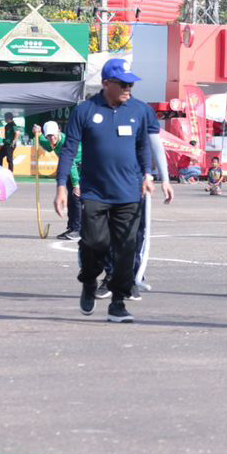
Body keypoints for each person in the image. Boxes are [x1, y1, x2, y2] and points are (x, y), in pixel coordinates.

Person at [55, 58, 170, 324]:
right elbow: (69, 149)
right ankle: (88, 281)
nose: (129, 88)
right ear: (107, 84)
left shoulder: (140, 111)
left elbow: (144, 146)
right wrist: (62, 185)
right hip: (95, 191)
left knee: (126, 250)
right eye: (124, 84)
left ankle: (118, 302)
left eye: (131, 83)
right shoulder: (85, 111)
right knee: (95, 243)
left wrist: (148, 174)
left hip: (129, 193)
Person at [39, 120, 82, 240]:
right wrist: (37, 134)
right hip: (69, 169)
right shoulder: (49, 140)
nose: (51, 138)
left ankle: (78, 230)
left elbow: (72, 164)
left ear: (59, 131)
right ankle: (72, 227)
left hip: (82, 168)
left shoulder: (66, 142)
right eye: (48, 136)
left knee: (76, 198)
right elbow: (46, 145)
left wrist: (76, 184)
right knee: (70, 199)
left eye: (53, 135)